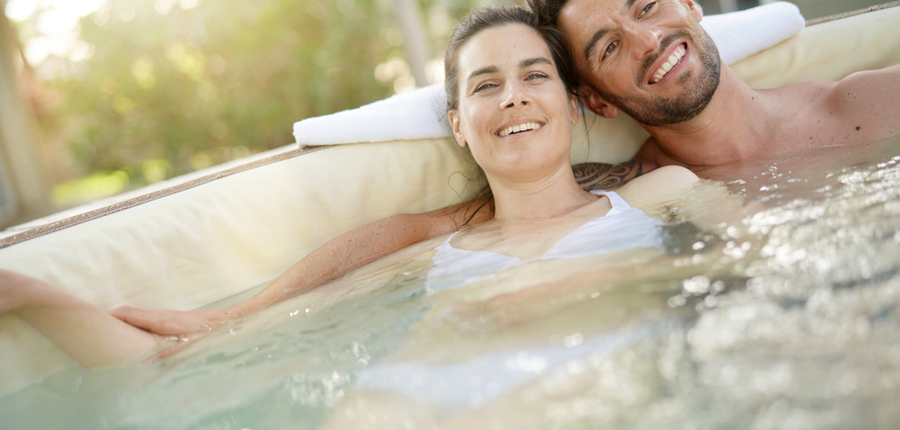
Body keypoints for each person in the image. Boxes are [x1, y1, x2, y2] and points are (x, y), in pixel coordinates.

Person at [1, 6, 699, 367]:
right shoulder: (429, 243)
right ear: (459, 125)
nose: (513, 98)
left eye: (535, 75)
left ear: (573, 103)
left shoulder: (659, 192)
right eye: (487, 86)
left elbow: (745, 276)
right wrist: (31, 291)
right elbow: (171, 364)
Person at [530, 0, 900, 174]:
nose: (647, 40)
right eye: (610, 48)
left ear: (689, 5)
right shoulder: (625, 194)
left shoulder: (867, 105)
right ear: (596, 102)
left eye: (647, 7)